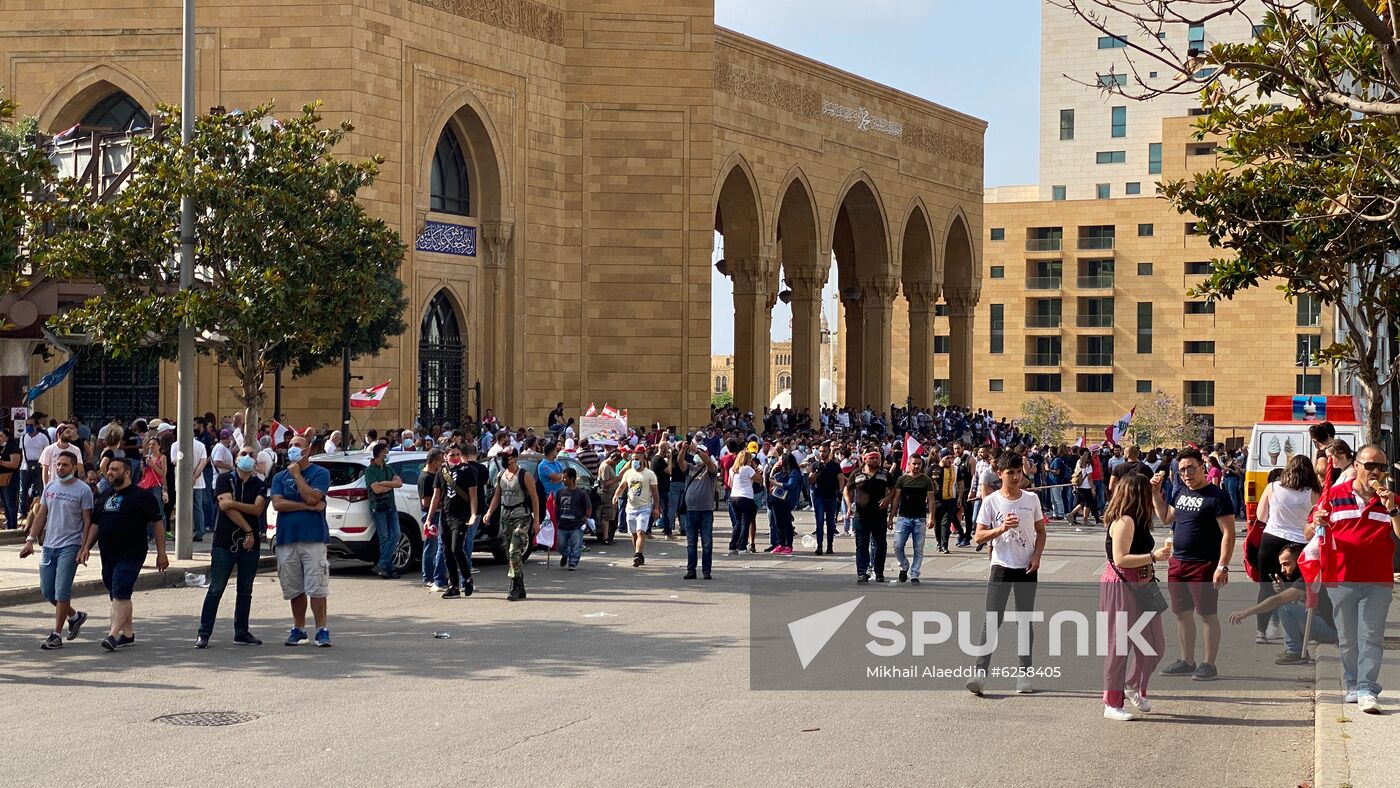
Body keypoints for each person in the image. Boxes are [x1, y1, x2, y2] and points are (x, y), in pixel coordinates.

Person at [1309, 444, 1399, 714]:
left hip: (1378, 581)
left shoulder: (1391, 500)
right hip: (1341, 578)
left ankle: (1367, 688)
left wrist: (1392, 509)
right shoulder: (1334, 496)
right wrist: (1317, 522)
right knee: (1348, 637)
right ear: (1356, 466)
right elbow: (1308, 530)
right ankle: (1352, 685)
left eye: (1381, 467)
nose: (1375, 471)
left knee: (1371, 635)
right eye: (1370, 465)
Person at [967, 451, 1048, 696]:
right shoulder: (991, 502)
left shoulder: (1031, 499)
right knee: (992, 619)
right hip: (1001, 566)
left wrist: (1037, 556)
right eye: (1009, 472)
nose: (1014, 477)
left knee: (1024, 620)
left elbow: (1041, 532)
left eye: (1018, 472)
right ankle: (980, 673)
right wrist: (1001, 528)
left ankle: (1024, 673)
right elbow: (978, 537)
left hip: (1026, 567)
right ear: (999, 474)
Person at [1151, 448, 1236, 682]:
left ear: (1202, 467)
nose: (1187, 474)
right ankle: (1187, 661)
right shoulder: (1179, 491)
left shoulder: (1217, 497)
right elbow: (1166, 518)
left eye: (1191, 468)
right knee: (1182, 614)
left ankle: (1209, 664)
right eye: (1182, 470)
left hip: (1205, 564)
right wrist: (1155, 494)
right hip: (1178, 563)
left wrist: (1223, 566)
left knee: (1207, 614)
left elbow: (1228, 534)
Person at [1099, 473, 1171, 721]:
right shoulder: (1125, 521)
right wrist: (1154, 557)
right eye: (1145, 493)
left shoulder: (1139, 519)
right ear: (1136, 495)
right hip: (1121, 586)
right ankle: (1111, 703)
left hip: (1143, 584)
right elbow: (1120, 558)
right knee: (1119, 646)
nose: (1149, 498)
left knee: (1154, 645)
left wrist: (1156, 488)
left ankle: (1132, 685)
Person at [78, 456, 168, 652]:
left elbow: (158, 525)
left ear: (127, 473)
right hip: (108, 553)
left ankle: (112, 635)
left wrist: (162, 553)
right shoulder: (105, 494)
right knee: (117, 593)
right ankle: (127, 634)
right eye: (109, 469)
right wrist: (86, 547)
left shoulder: (142, 496)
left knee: (120, 590)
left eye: (115, 469)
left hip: (132, 553)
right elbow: (95, 523)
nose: (110, 472)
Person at [19, 453, 94, 649]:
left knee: (62, 591)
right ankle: (75, 617)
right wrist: (30, 540)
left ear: (73, 468)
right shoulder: (50, 487)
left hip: (70, 546)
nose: (60, 468)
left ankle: (56, 634)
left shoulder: (83, 490)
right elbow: (41, 514)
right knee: (47, 591)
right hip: (49, 546)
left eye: (65, 465)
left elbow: (88, 521)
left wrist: (84, 547)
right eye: (58, 464)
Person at [197, 445, 268, 648]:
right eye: (243, 454)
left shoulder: (259, 484)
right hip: (225, 542)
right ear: (236, 458)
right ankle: (204, 633)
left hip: (250, 546)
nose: (247, 457)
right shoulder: (224, 479)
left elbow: (257, 509)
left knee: (245, 589)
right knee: (216, 588)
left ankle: (241, 631)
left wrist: (233, 503)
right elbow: (224, 508)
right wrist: (247, 529)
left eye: (251, 454)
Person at [269, 435, 333, 647]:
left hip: (313, 538)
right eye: (290, 446)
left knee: (317, 587)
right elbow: (278, 504)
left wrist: (297, 476)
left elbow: (314, 497)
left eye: (297, 445)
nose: (292, 449)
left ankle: (321, 630)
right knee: (294, 588)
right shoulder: (279, 477)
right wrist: (307, 507)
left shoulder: (320, 473)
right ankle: (298, 628)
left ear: (308, 450)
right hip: (287, 539)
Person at [1228, 544, 1336, 665]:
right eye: (1281, 565)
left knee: (1285, 608)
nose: (1282, 570)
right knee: (1286, 604)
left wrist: (1246, 613)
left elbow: (1277, 600)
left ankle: (1294, 650)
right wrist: (1284, 590)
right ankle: (1298, 649)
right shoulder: (1307, 574)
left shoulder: (1308, 576)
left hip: (1331, 632)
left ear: (1298, 560)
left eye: (1286, 564)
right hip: (1326, 625)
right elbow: (1299, 601)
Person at [1253, 455, 1321, 641]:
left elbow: (1260, 515)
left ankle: (1261, 630)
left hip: (1271, 539)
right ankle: (1294, 630)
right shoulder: (1314, 492)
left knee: (1266, 587)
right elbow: (1316, 519)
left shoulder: (1272, 487)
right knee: (1294, 589)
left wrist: (1276, 521)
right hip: (1299, 543)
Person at [483, 449, 540, 600]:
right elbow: (497, 496)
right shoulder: (501, 475)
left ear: (514, 458)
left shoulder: (524, 475)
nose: (504, 460)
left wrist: (537, 521)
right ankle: (520, 585)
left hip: (521, 516)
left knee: (515, 551)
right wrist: (489, 513)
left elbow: (534, 498)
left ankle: (513, 586)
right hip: (506, 517)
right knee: (509, 553)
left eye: (506, 457)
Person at [845, 450, 893, 584]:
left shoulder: (884, 473)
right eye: (872, 458)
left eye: (877, 458)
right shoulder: (857, 473)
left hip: (879, 515)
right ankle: (862, 572)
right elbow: (847, 489)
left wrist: (888, 498)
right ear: (865, 459)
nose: (875, 461)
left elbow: (893, 489)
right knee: (862, 545)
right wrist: (849, 505)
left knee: (880, 545)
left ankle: (879, 572)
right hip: (861, 516)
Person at [677, 439, 718, 580]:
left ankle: (706, 570)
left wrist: (696, 450)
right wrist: (683, 448)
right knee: (691, 543)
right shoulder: (690, 468)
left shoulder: (711, 469)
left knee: (707, 543)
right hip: (691, 511)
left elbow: (708, 462)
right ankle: (691, 570)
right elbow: (680, 462)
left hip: (705, 511)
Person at [614, 446, 660, 567]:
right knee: (634, 533)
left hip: (644, 507)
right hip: (630, 508)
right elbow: (622, 486)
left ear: (643, 459)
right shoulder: (628, 473)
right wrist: (616, 496)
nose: (635, 461)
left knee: (640, 532)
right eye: (633, 459)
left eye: (637, 459)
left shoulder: (649, 474)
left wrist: (656, 507)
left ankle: (637, 554)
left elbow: (655, 491)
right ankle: (638, 553)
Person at [890, 456, 933, 584]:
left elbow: (930, 499)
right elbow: (896, 499)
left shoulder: (926, 480)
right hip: (903, 518)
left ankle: (914, 574)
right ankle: (904, 566)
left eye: (919, 464)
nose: (916, 466)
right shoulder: (902, 479)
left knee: (918, 549)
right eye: (914, 464)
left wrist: (931, 517)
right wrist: (891, 517)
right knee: (897, 546)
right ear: (908, 464)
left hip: (920, 519)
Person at [364, 442, 403, 579]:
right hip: (378, 507)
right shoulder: (370, 471)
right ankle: (388, 567)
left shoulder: (388, 468)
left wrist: (384, 483)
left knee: (396, 535)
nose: (387, 455)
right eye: (385, 452)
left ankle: (382, 564)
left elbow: (399, 483)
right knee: (384, 537)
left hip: (390, 506)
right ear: (380, 454)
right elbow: (376, 489)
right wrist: (389, 485)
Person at [418, 448, 449, 591]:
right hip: (431, 515)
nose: (442, 463)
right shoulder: (426, 478)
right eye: (441, 461)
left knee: (437, 546)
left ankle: (438, 575)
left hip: (438, 514)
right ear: (434, 461)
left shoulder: (435, 475)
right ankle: (428, 577)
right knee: (431, 546)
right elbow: (425, 502)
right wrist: (442, 502)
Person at [173, 428, 210, 542]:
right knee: (197, 507)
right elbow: (203, 462)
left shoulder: (176, 445)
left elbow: (175, 462)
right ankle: (199, 532)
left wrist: (188, 477)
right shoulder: (200, 445)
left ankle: (181, 531)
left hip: (182, 481)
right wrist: (194, 476)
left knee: (181, 507)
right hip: (197, 481)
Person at [808, 443, 844, 555]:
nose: (822, 453)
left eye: (824, 451)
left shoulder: (835, 465)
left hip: (831, 497)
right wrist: (817, 472)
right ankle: (819, 546)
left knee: (830, 522)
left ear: (829, 452)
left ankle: (829, 545)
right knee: (819, 522)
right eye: (821, 451)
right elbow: (810, 480)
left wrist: (840, 493)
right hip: (819, 496)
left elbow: (840, 479)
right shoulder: (815, 465)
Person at [554, 468, 591, 570]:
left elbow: (588, 507)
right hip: (562, 525)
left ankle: (573, 563)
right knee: (560, 546)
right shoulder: (560, 492)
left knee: (576, 545)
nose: (563, 480)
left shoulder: (581, 494)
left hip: (576, 525)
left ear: (572, 478)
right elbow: (556, 506)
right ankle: (566, 555)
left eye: (565, 478)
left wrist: (586, 517)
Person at [929, 450, 963, 555]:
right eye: (947, 458)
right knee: (937, 524)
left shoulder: (955, 469)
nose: (950, 460)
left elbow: (961, 483)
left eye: (951, 458)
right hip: (936, 501)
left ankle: (945, 545)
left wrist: (959, 497)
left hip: (950, 501)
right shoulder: (933, 469)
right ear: (941, 458)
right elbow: (926, 481)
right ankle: (939, 543)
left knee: (946, 523)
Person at [727, 450, 758, 555]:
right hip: (746, 497)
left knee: (737, 522)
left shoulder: (733, 469)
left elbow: (729, 483)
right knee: (745, 522)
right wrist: (755, 468)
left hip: (734, 496)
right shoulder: (748, 469)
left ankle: (732, 546)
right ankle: (742, 547)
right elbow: (758, 480)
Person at [1069, 449, 1100, 526]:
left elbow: (1075, 472)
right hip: (1086, 486)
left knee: (1082, 503)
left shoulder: (1079, 462)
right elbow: (1089, 477)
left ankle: (1072, 514)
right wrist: (1092, 487)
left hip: (1079, 485)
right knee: (1087, 504)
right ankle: (1084, 519)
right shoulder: (1088, 464)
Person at [0, 424, 21, 530]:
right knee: (4, 503)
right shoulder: (1, 448)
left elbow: (14, 464)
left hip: (10, 478)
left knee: (10, 503)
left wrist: (1, 462)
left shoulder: (13, 448)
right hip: (1, 479)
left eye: (1, 436)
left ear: (7, 437)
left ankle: (13, 525)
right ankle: (8, 522)